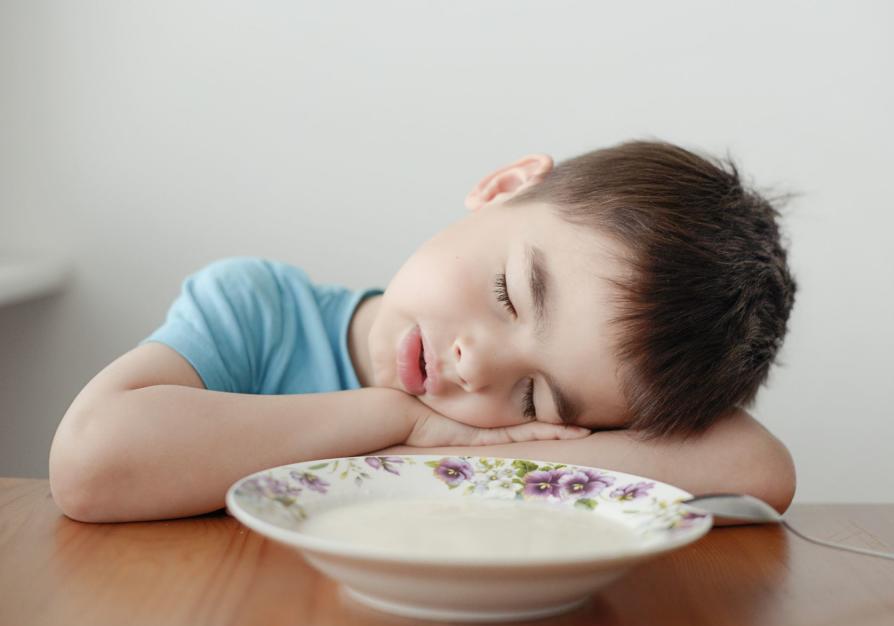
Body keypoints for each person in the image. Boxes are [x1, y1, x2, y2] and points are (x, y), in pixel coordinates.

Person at [49, 140, 798, 523]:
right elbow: (88, 463)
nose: (477, 366)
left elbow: (756, 466)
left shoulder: (491, 431)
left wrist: (466, 444)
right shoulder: (258, 311)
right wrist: (396, 421)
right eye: (509, 293)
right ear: (506, 186)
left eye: (534, 398)